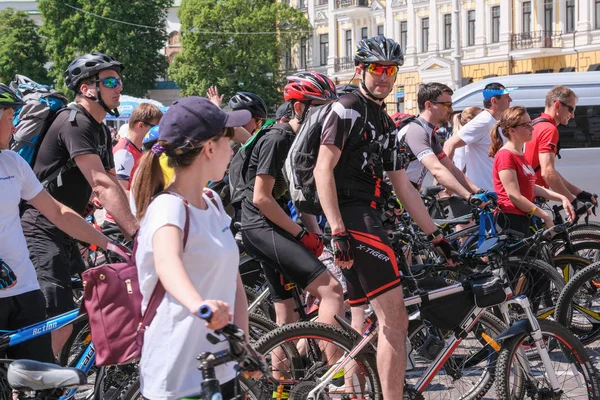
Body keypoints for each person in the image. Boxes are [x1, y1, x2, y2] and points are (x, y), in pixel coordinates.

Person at [313, 35, 454, 399]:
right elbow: (322, 169)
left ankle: (354, 391)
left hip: (368, 216)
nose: (385, 77)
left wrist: (436, 235)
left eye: (391, 70)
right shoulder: (347, 108)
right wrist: (338, 228)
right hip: (352, 217)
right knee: (395, 321)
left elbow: (404, 186)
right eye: (377, 69)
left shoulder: (386, 121)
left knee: (362, 317)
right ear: (360, 69)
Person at [133, 97, 254, 399]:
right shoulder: (168, 208)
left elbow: (232, 281)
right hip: (177, 377)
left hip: (221, 367)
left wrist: (244, 343)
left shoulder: (212, 202)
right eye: (229, 142)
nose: (233, 151)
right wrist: (200, 306)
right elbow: (167, 263)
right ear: (209, 148)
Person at [20, 52, 138, 355]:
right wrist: (137, 235)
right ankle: (31, 387)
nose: (119, 87)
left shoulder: (98, 128)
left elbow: (110, 183)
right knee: (57, 321)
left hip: (67, 228)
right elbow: (99, 181)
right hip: (40, 228)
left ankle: (55, 373)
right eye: (110, 81)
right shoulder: (74, 122)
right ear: (87, 88)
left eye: (119, 81)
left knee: (89, 302)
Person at [0, 84, 111, 362]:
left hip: (25, 289)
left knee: (37, 378)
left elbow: (58, 212)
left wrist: (110, 243)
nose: (14, 128)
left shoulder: (12, 163)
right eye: (9, 118)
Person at [241, 71, 344, 328]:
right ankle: (336, 368)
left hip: (270, 228)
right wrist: (301, 235)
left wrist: (315, 232)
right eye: (321, 108)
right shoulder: (279, 138)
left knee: (288, 316)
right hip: (261, 228)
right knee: (331, 291)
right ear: (299, 107)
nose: (328, 116)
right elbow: (261, 198)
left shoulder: (300, 141)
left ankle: (290, 368)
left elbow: (297, 196)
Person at [490, 106, 575, 234]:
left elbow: (531, 187)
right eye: (526, 125)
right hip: (511, 221)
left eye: (530, 123)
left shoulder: (519, 153)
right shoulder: (505, 155)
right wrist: (544, 215)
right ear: (512, 130)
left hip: (525, 217)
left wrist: (562, 198)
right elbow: (514, 196)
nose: (532, 128)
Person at [400, 82, 483, 201]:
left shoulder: (430, 132)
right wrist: (468, 197)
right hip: (394, 194)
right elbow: (437, 169)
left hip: (409, 192)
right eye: (446, 105)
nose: (451, 110)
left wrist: (478, 191)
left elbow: (450, 167)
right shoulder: (416, 130)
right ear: (428, 105)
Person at [523, 85, 598, 208]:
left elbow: (550, 171)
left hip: (528, 193)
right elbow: (547, 172)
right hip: (532, 197)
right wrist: (573, 201)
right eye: (571, 110)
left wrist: (579, 193)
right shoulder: (549, 129)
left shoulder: (536, 124)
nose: (573, 115)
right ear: (557, 105)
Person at [444, 82, 515, 191]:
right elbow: (449, 144)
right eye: (506, 97)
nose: (510, 100)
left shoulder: (496, 121)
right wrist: (448, 182)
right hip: (485, 194)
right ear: (494, 101)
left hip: (498, 191)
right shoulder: (483, 121)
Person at [104, 103, 163, 228]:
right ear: (141, 125)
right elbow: (121, 191)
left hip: (133, 221)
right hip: (121, 225)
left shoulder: (137, 149)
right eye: (155, 127)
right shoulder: (124, 152)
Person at [451, 106, 482, 173]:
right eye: (480, 118)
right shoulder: (463, 137)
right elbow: (461, 162)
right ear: (469, 120)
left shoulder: (472, 136)